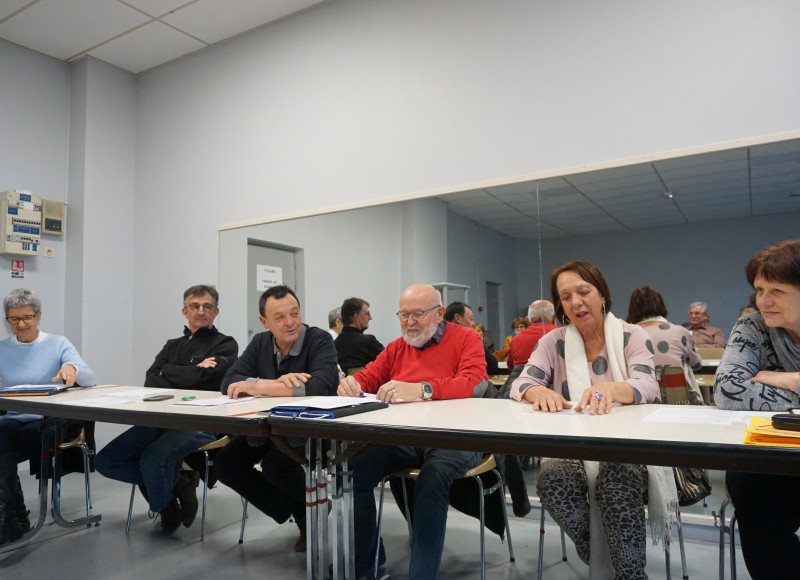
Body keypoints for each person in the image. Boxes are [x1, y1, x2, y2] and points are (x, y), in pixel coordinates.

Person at [509, 261, 673, 578]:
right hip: (572, 444)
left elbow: (647, 385)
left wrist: (613, 388)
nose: (576, 302)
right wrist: (536, 391)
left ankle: (630, 573)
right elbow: (522, 383)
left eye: (583, 292)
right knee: (552, 481)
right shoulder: (552, 342)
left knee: (616, 481)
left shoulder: (631, 335)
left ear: (602, 296)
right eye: (566, 297)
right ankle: (600, 554)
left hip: (626, 443)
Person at [338, 284, 488, 579]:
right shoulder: (397, 347)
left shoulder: (467, 338)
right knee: (351, 472)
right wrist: (352, 384)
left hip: (454, 436)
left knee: (431, 481)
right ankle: (364, 562)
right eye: (404, 315)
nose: (410, 322)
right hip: (406, 436)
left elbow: (475, 382)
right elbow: (369, 376)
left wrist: (422, 389)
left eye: (418, 314)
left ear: (440, 313)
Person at [95, 285, 238, 535]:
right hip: (160, 419)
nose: (201, 311)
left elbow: (206, 378)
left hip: (202, 421)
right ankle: (180, 483)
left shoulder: (225, 344)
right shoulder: (172, 345)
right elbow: (151, 380)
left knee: (153, 459)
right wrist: (193, 372)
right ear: (185, 311)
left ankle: (166, 512)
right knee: (107, 461)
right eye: (195, 306)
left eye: (207, 306)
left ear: (216, 312)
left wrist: (169, 371)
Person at [215, 285, 338, 552]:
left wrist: (258, 386)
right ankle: (303, 508)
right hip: (267, 427)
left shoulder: (319, 339)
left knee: (275, 466)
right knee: (225, 464)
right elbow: (229, 382)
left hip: (311, 429)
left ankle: (307, 513)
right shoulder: (260, 342)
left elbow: (320, 385)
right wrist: (276, 384)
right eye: (280, 317)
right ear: (264, 322)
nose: (290, 322)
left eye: (294, 313)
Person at [714, 239, 800, 580]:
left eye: (776, 290)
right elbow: (727, 391)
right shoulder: (752, 325)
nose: (762, 301)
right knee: (758, 512)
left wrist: (791, 380)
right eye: (760, 289)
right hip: (767, 456)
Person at [0, 288, 96, 545]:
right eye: (14, 319)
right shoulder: (2, 349)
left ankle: (10, 518)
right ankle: (11, 516)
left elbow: (89, 379)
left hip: (48, 421)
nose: (21, 324)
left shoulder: (57, 344)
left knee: (5, 447)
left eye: (27, 317)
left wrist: (71, 367)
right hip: (10, 419)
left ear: (39, 316)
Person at [626, 286, 703, 404]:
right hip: (681, 402)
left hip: (642, 402)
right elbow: (696, 364)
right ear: (661, 306)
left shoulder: (627, 336)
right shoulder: (680, 332)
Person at [443, 301, 499, 374]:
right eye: (471, 319)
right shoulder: (471, 341)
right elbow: (492, 365)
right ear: (458, 318)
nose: (473, 324)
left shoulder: (437, 340)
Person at [334, 297, 384, 373]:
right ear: (356, 317)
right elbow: (391, 361)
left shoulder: (334, 345)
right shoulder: (368, 342)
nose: (370, 318)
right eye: (367, 314)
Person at [506, 299, 559, 369]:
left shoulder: (515, 339)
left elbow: (510, 365)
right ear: (554, 318)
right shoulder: (562, 334)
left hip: (522, 375)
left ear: (527, 320)